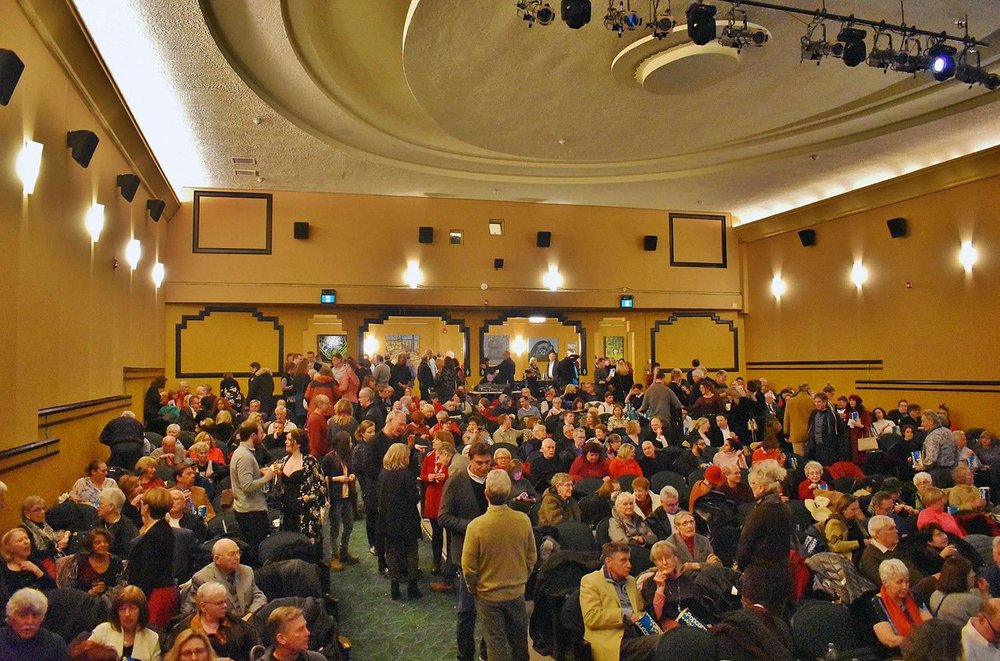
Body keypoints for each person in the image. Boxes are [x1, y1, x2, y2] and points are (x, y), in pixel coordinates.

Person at [461, 469, 536, 661]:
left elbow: (468, 566)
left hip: (488, 595)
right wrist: (522, 577)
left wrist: (473, 586)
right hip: (517, 592)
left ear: (486, 493)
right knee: (520, 640)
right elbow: (531, 556)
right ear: (510, 492)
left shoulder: (476, 526)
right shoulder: (523, 520)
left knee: (496, 644)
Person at [438, 443, 493, 661]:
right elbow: (443, 517)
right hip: (466, 553)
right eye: (479, 463)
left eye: (487, 463)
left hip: (491, 554)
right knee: (466, 611)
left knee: (491, 612)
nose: (483, 468)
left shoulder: (494, 479)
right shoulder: (456, 481)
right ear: (469, 460)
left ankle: (486, 651)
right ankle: (464, 654)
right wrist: (473, 526)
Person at [581, 541, 661, 661]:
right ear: (608, 562)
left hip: (636, 633)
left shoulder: (631, 581)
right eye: (623, 560)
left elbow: (639, 610)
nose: (629, 565)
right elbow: (591, 618)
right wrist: (625, 614)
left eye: (629, 560)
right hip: (612, 639)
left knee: (671, 640)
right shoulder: (591, 581)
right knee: (661, 643)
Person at [737, 460, 792, 611]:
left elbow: (745, 545)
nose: (751, 488)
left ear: (761, 487)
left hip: (759, 580)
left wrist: (741, 568)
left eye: (752, 485)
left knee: (756, 625)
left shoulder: (759, 513)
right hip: (782, 574)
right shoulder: (785, 509)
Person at [164, 582, 258, 660]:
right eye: (219, 603)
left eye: (225, 602)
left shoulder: (236, 623)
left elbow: (254, 650)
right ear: (203, 606)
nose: (225, 606)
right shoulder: (184, 629)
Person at [126, 487, 177, 629]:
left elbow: (148, 572)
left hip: (154, 595)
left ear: (147, 506)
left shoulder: (155, 534)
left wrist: (137, 599)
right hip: (160, 591)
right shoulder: (162, 529)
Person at [378, 443, 422, 600]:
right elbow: (413, 497)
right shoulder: (406, 475)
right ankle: (412, 586)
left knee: (393, 552)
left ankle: (394, 586)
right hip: (407, 519)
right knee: (411, 551)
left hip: (389, 520)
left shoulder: (383, 474)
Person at [186, 538, 266, 619]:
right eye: (232, 554)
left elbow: (259, 597)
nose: (237, 557)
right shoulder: (202, 579)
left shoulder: (246, 571)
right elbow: (197, 613)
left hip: (247, 622)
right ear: (217, 559)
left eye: (238, 553)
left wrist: (249, 614)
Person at [229, 420, 275, 561]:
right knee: (255, 551)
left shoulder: (244, 453)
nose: (263, 435)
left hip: (249, 509)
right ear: (253, 435)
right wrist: (267, 477)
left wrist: (259, 473)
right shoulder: (244, 456)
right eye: (261, 432)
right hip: (251, 512)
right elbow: (247, 486)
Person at [273, 428, 327, 543]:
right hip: (287, 509)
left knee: (304, 542)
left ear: (298, 443)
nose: (285, 442)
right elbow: (278, 487)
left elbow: (321, 486)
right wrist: (278, 475)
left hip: (305, 511)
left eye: (289, 440)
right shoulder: (284, 460)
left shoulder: (310, 461)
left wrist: (309, 497)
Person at [871, 558, 931, 652]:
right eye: (899, 582)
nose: (905, 587)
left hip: (924, 646)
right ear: (885, 583)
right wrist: (914, 643)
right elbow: (888, 639)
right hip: (898, 652)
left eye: (907, 582)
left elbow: (929, 623)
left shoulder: (913, 596)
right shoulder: (876, 603)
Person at [88, 585, 161, 660]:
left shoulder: (152, 638)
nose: (127, 614)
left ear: (141, 611)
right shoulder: (102, 630)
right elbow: (84, 656)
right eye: (122, 609)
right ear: (116, 612)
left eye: (132, 608)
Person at [321, 430, 357, 572]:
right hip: (335, 498)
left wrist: (352, 475)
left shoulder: (348, 457)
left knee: (348, 525)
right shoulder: (329, 459)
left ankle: (344, 550)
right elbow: (323, 479)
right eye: (349, 441)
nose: (351, 443)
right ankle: (334, 556)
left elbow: (351, 470)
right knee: (335, 527)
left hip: (347, 495)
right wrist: (338, 479)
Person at [0, 588, 67, 660]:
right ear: (11, 617)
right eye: (23, 615)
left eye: (35, 615)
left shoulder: (55, 644)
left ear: (42, 618)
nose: (30, 621)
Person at [62, 528, 124, 596]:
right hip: (82, 602)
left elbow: (121, 588)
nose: (103, 544)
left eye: (105, 541)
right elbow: (69, 588)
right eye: (98, 543)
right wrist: (87, 594)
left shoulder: (116, 562)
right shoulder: (80, 561)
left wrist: (106, 589)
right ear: (91, 545)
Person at [929, 556, 989, 626]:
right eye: (970, 571)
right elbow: (991, 617)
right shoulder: (970, 601)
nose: (974, 574)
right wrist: (985, 593)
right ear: (961, 576)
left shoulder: (934, 595)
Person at [19, 496, 68, 575]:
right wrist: (57, 549)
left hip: (57, 559)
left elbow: (69, 524)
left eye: (43, 508)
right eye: (37, 510)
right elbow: (34, 555)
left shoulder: (45, 524)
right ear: (27, 514)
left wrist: (66, 537)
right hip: (41, 566)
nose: (42, 512)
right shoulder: (24, 530)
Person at [257, 606, 325, 661]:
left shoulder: (317, 659)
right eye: (300, 629)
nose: (308, 633)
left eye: (305, 627)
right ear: (281, 638)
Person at [0, 528, 56, 594]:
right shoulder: (3, 569)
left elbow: (53, 586)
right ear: (10, 548)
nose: (26, 542)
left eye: (26, 538)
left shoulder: (33, 561)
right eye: (20, 540)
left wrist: (36, 570)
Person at [804, 392, 850, 466]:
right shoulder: (814, 413)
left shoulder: (833, 415)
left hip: (829, 447)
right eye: (815, 402)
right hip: (815, 447)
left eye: (819, 402)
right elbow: (810, 427)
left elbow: (841, 433)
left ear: (825, 402)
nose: (816, 404)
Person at [825, 494, 869, 565]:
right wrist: (861, 543)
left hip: (862, 551)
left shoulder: (853, 520)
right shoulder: (835, 523)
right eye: (853, 509)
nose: (857, 511)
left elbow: (865, 534)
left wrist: (863, 520)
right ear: (843, 510)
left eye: (858, 508)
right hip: (849, 558)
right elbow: (836, 546)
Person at [860, 515, 903, 585]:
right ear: (878, 534)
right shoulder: (869, 558)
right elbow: (885, 584)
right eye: (891, 529)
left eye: (895, 528)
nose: (897, 531)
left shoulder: (901, 546)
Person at [97, 488, 139, 558]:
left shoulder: (127, 529)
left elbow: (127, 556)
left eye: (101, 504)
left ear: (111, 507)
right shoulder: (97, 524)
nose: (98, 507)